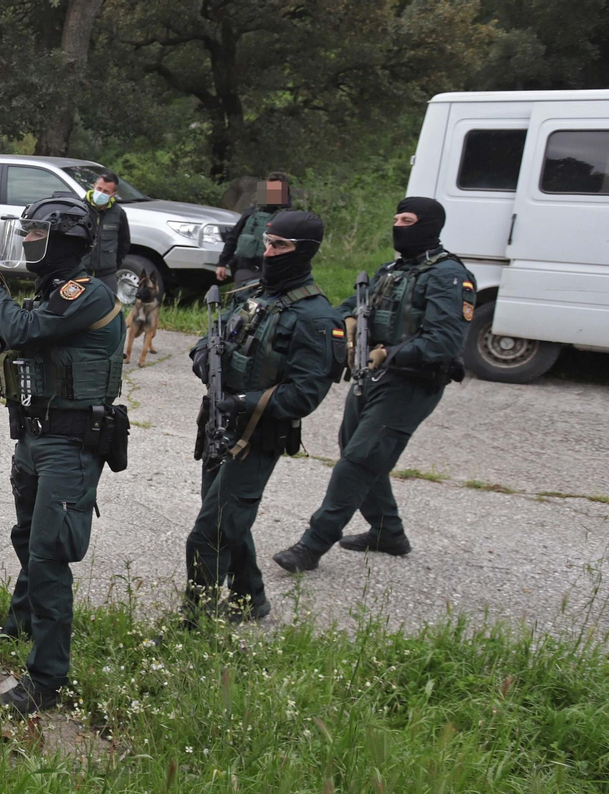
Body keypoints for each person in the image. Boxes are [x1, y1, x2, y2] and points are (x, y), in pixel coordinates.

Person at [0, 194, 128, 715]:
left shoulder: (87, 293)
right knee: (28, 537)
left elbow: (25, 330)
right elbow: (8, 350)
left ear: (65, 238)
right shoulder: (55, 293)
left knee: (50, 556)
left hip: (70, 444)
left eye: (35, 233)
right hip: (36, 437)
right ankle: (20, 621)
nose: (28, 241)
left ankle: (47, 678)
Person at [272, 198, 471, 572]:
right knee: (357, 450)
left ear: (429, 225)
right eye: (395, 218)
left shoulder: (448, 276)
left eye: (407, 220)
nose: (398, 226)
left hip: (412, 383)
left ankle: (313, 544)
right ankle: (387, 532)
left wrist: (390, 354)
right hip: (372, 377)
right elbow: (356, 304)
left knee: (359, 460)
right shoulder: (393, 270)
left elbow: (444, 340)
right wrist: (346, 320)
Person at [185, 210, 341, 623]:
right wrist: (202, 354)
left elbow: (305, 393)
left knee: (209, 534)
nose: (268, 252)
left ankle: (194, 624)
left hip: (256, 436)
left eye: (280, 246)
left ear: (304, 251)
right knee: (226, 521)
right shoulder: (252, 295)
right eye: (268, 242)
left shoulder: (317, 318)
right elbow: (211, 335)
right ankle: (250, 600)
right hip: (218, 427)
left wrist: (242, 402)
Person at [216, 172, 292, 285]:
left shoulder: (289, 218)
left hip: (273, 273)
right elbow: (233, 237)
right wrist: (222, 263)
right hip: (244, 270)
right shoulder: (250, 213)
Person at [83, 172, 131, 288]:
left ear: (114, 194)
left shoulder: (118, 213)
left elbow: (124, 243)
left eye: (106, 192)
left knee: (110, 306)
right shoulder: (79, 208)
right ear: (94, 186)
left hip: (107, 276)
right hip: (81, 273)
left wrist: (112, 265)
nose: (101, 193)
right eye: (99, 189)